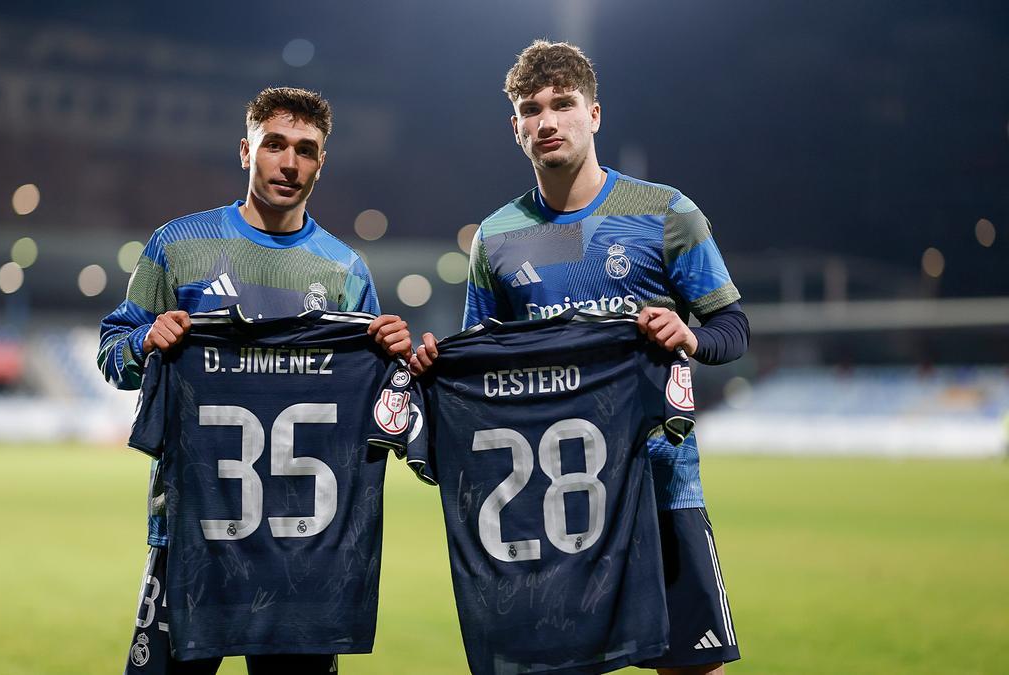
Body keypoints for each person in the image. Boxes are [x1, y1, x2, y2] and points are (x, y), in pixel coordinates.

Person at [413, 41, 749, 674]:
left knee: (694, 670)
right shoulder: (496, 238)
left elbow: (731, 326)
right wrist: (437, 370)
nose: (547, 121)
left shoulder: (666, 213)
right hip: (552, 508)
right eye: (530, 109)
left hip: (662, 487)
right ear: (515, 128)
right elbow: (484, 367)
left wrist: (688, 334)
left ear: (594, 115)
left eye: (563, 104)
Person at [98, 86, 410, 675]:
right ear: (246, 151)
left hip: (303, 543)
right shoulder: (177, 247)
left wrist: (394, 363)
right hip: (191, 535)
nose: (289, 163)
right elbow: (112, 352)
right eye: (275, 144)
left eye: (306, 150)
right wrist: (145, 341)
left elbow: (378, 414)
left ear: (322, 163)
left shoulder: (344, 270)